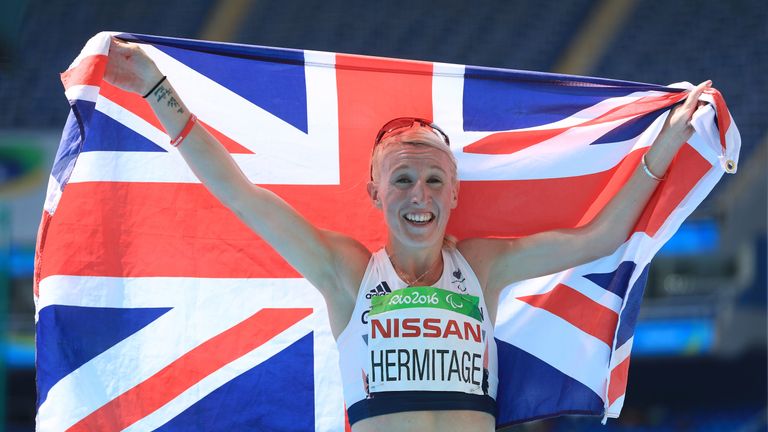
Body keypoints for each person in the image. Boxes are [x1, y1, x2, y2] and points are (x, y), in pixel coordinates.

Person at [105, 38, 711, 432]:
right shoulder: (346, 273)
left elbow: (599, 239)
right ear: (374, 192)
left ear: (454, 195)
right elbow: (241, 194)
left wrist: (667, 143)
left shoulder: (483, 267)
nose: (418, 195)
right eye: (401, 180)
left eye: (432, 180)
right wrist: (159, 92)